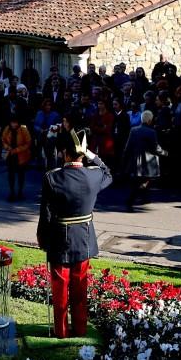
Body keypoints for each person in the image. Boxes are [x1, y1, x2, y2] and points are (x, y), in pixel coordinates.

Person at [37, 130, 112, 338]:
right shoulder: (95, 175)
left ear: (64, 153)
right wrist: (93, 156)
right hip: (85, 238)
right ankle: (80, 328)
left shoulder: (53, 177)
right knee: (80, 286)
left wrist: (42, 236)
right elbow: (108, 173)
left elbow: (46, 211)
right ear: (82, 154)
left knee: (60, 288)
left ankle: (61, 331)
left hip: (60, 238)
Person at [122, 110, 167, 210]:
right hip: (148, 161)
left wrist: (124, 159)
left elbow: (128, 147)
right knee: (145, 181)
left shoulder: (134, 130)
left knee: (140, 180)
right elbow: (156, 148)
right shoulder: (152, 132)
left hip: (136, 159)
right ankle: (131, 200)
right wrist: (165, 153)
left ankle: (145, 198)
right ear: (150, 120)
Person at [2, 116, 32, 200]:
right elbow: (3, 139)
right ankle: (12, 192)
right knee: (11, 175)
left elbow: (28, 143)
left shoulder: (23, 130)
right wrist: (7, 147)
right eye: (12, 123)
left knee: (20, 175)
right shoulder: (7, 129)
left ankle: (20, 192)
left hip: (22, 156)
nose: (14, 124)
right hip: (11, 156)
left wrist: (17, 150)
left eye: (15, 123)